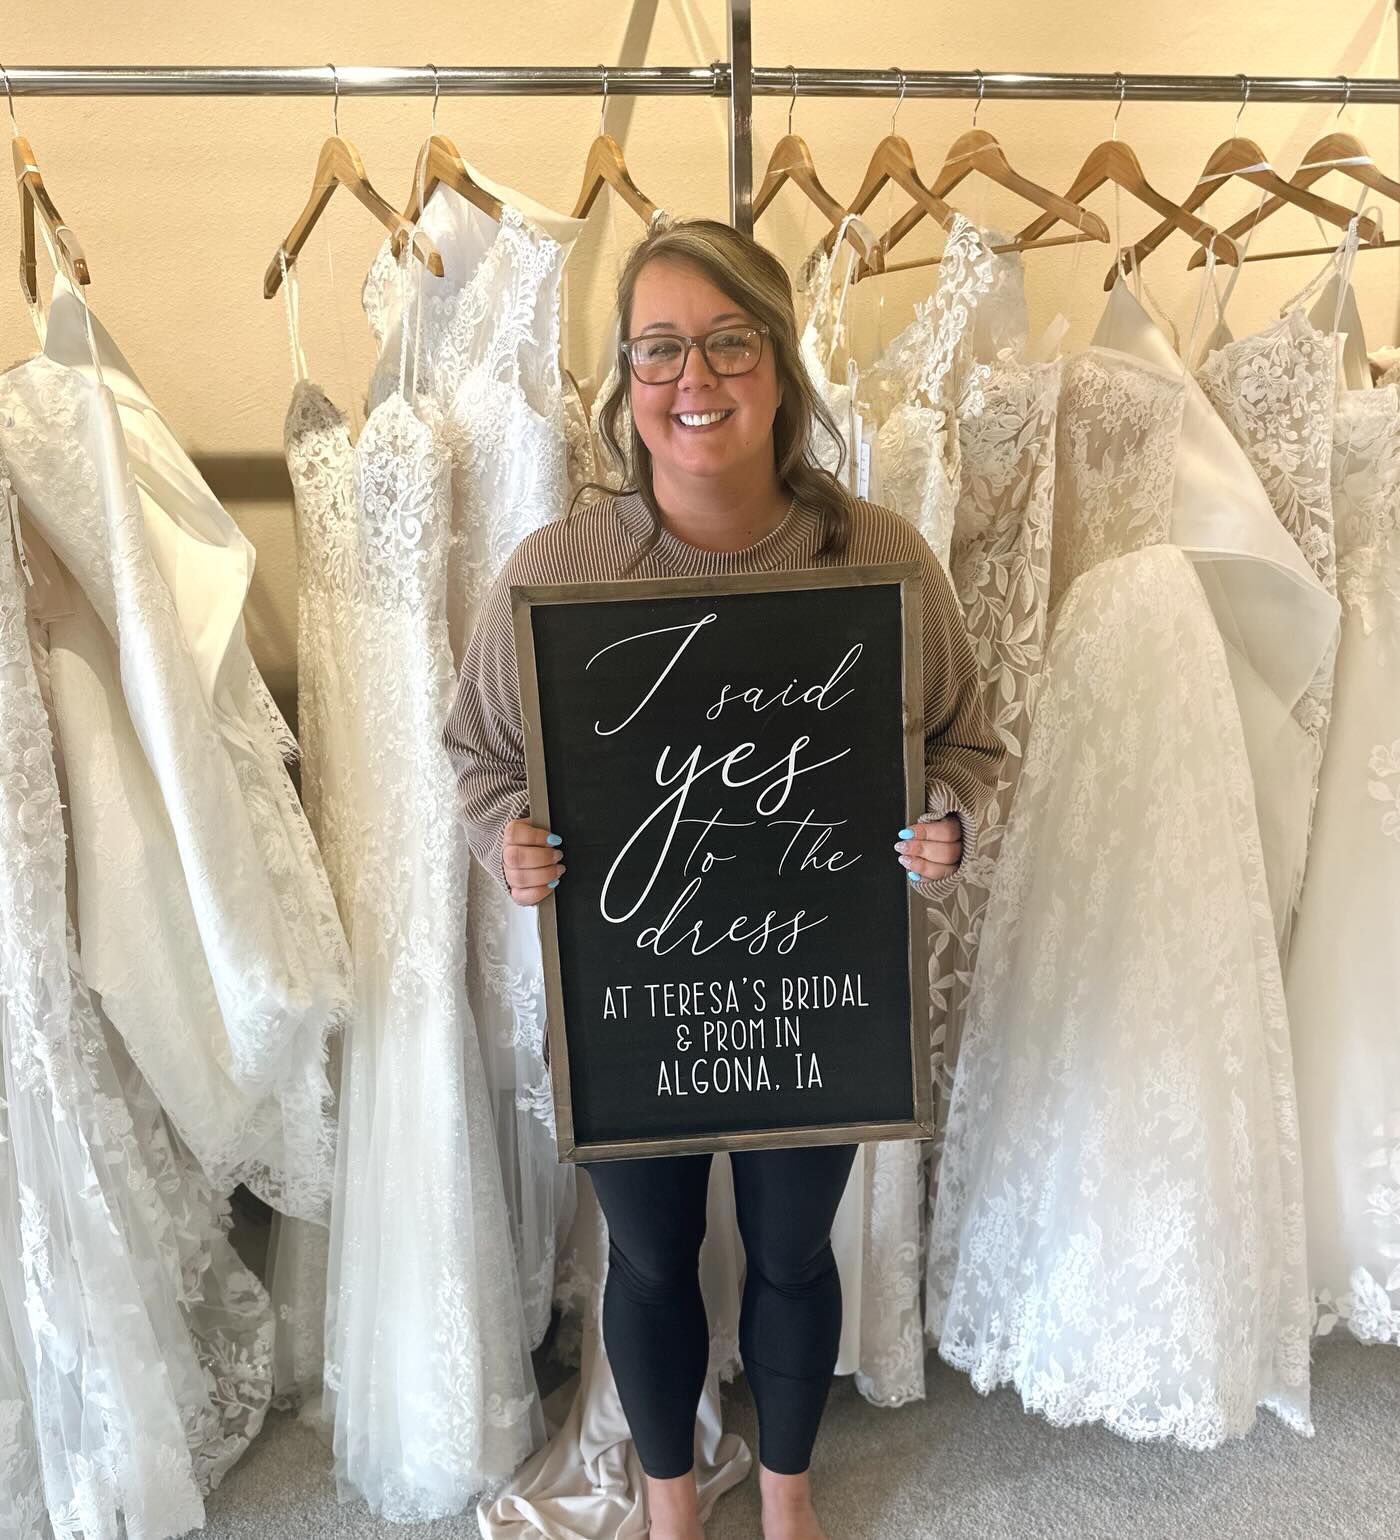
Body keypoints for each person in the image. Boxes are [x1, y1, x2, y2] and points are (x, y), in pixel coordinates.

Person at [443, 217, 1002, 1540]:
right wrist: (504, 834)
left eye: (728, 342)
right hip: (631, 991)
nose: (693, 379)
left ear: (781, 366)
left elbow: (969, 745)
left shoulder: (877, 562)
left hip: (815, 990)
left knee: (794, 1250)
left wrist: (950, 826)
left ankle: (794, 1495)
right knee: (646, 1255)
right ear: (626, 381)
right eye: (659, 349)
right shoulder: (554, 575)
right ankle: (673, 1501)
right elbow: (476, 755)